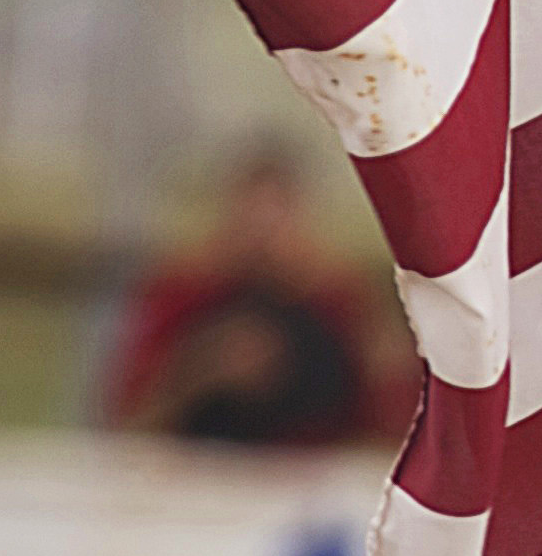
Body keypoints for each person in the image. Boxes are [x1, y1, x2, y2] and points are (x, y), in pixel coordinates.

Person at [102, 149, 400, 447]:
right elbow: (125, 423)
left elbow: (394, 426)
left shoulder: (338, 301)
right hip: (194, 473)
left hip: (310, 477)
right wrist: (200, 370)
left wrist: (369, 333)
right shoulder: (184, 291)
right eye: (250, 213)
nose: (262, 233)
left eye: (276, 216)